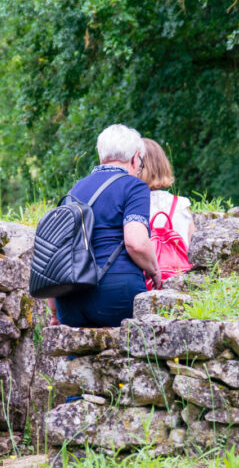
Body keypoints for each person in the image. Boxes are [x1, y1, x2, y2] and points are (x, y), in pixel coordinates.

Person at [52, 124, 165, 327]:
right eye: (140, 164)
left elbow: (55, 253)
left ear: (101, 156)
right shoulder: (134, 186)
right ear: (135, 158)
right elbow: (136, 242)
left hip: (69, 302)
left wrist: (54, 313)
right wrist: (154, 270)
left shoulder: (73, 191)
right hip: (118, 295)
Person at [137, 138, 195, 288]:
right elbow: (193, 247)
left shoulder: (132, 204)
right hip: (180, 279)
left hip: (146, 283)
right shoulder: (182, 204)